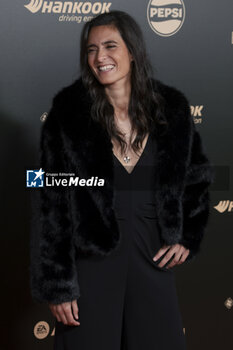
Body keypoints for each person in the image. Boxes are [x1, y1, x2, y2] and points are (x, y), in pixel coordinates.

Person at [29, 10, 214, 350]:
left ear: (132, 50)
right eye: (91, 49)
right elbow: (50, 202)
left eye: (110, 46)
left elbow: (198, 177)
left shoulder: (171, 109)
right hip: (91, 267)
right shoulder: (67, 113)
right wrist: (58, 285)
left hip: (152, 257)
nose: (100, 57)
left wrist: (187, 234)